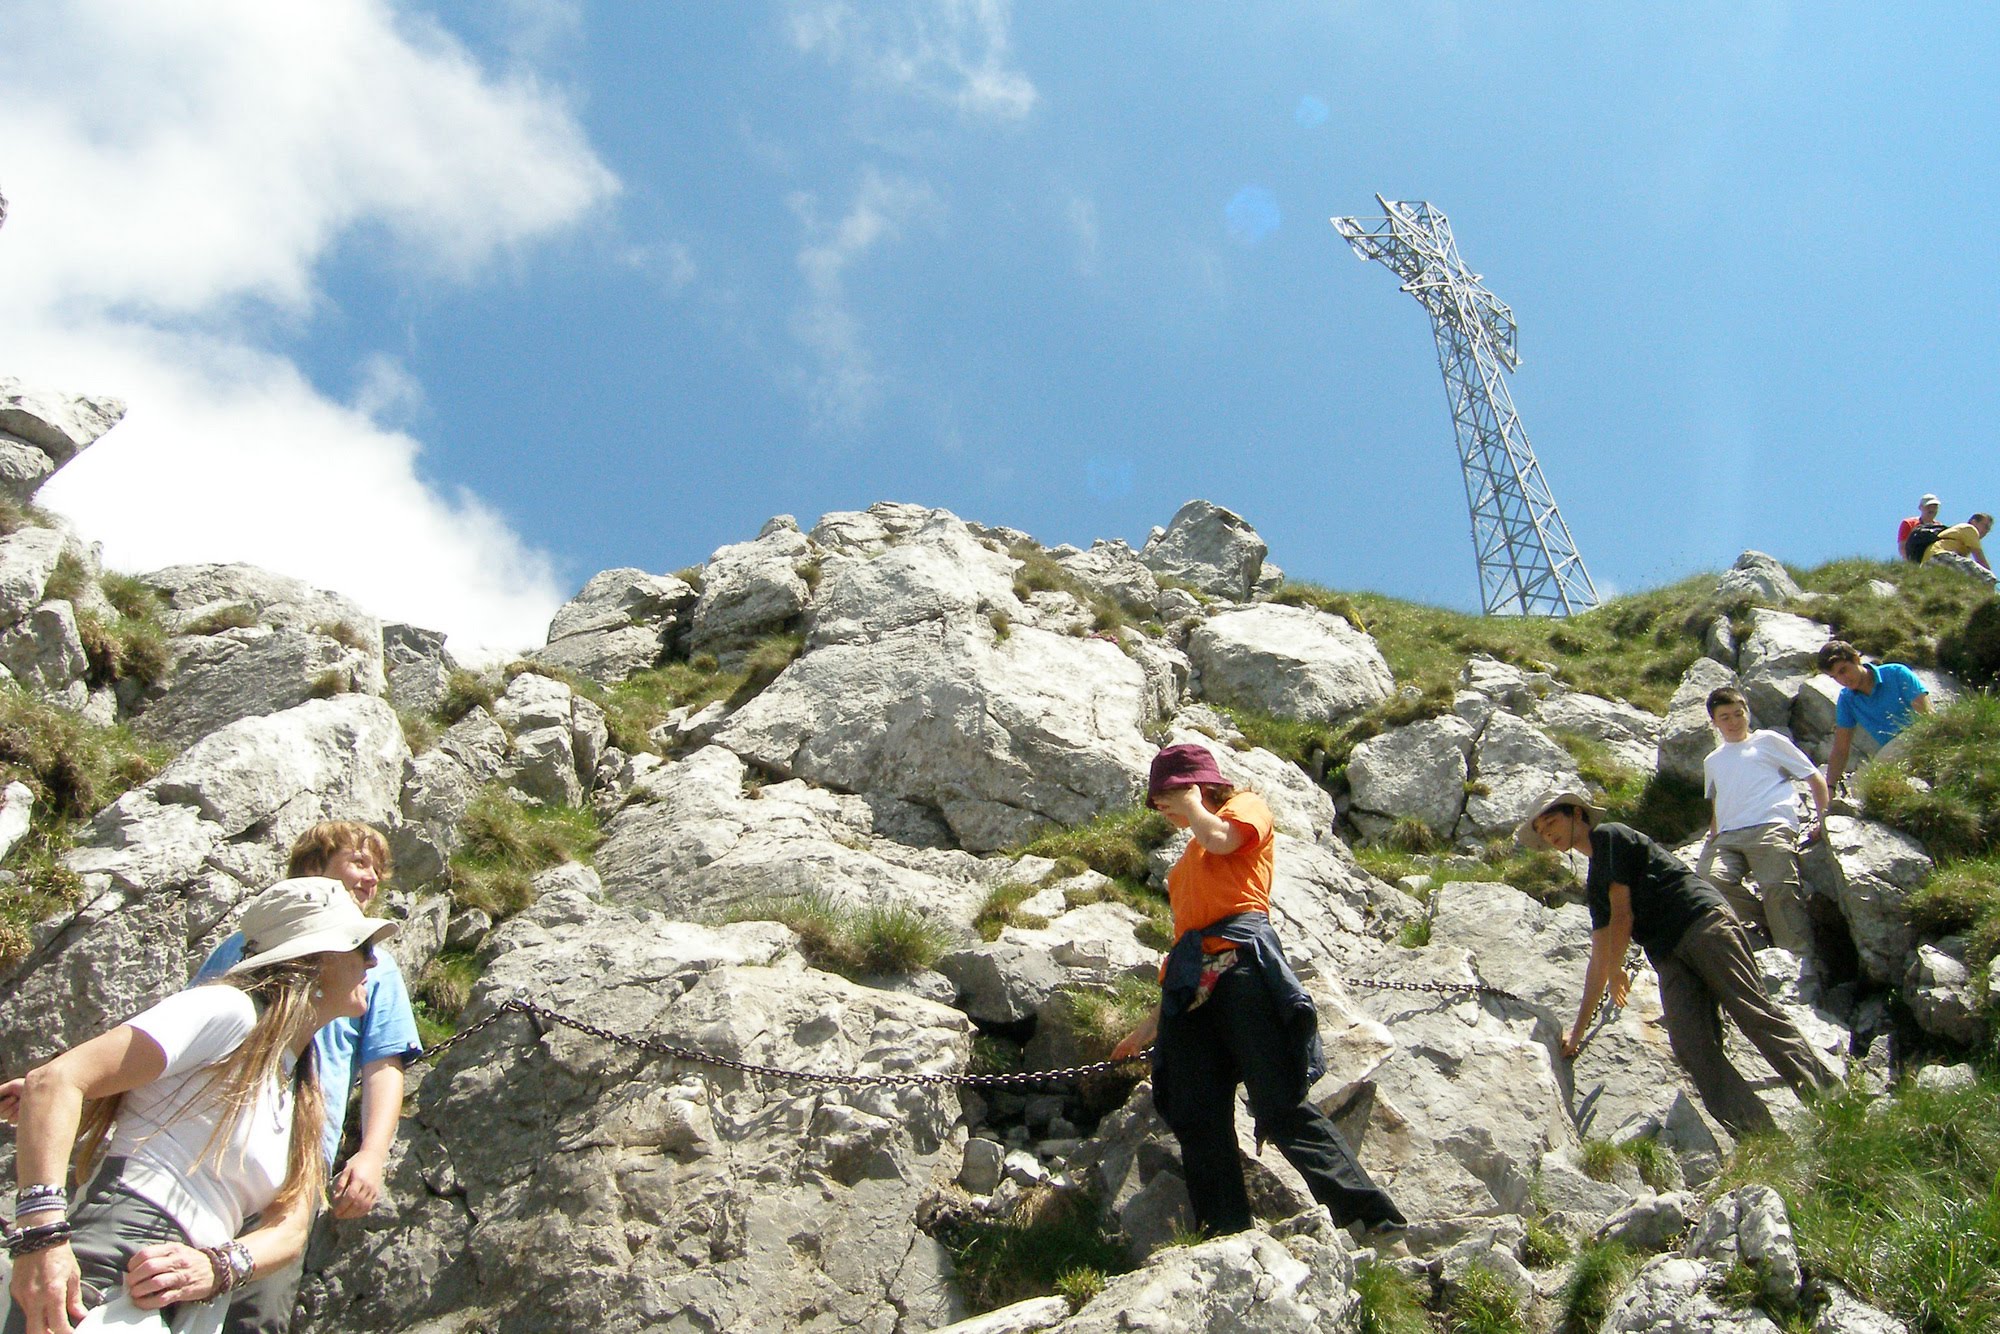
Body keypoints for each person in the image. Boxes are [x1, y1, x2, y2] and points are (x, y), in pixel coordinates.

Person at [3, 879, 398, 1334]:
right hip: (116, 1260)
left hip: (188, 1292)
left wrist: (219, 1267)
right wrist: (43, 1239)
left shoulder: (302, 1086)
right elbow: (55, 1082)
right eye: (361, 945)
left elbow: (290, 1231)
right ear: (314, 959)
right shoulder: (230, 1012)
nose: (372, 960)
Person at [1110, 744, 1405, 1237]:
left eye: (1164, 795)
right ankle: (1225, 1233)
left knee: (1280, 1104)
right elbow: (1188, 943)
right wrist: (1149, 1026)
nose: (1160, 808)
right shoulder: (1189, 854)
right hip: (1190, 988)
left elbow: (1225, 842)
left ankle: (1373, 1219)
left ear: (1195, 785)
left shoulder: (1244, 807)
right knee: (1196, 1115)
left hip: (1243, 967)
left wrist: (1192, 805)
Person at [189, 823, 420, 1334]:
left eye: (377, 870)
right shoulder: (245, 945)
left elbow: (383, 1065)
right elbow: (188, 1031)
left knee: (257, 1313)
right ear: (315, 867)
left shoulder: (377, 968)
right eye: (359, 863)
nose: (371, 879)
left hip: (296, 1166)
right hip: (210, 1143)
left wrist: (372, 1155)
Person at [1519, 791, 1838, 1140]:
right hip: (1668, 954)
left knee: (1751, 1012)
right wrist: (1577, 1031)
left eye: (1551, 823)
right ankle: (1762, 1139)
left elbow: (1622, 914)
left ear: (1577, 814)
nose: (1548, 835)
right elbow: (1598, 955)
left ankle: (1831, 1101)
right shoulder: (1595, 880)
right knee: (1690, 1045)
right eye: (1541, 831)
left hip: (1701, 922)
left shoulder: (1610, 835)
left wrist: (1616, 968)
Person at [1697, 687, 1828, 960]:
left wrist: (1823, 818)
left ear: (1747, 712)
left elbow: (1814, 777)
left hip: (1770, 825)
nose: (1733, 722)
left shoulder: (1768, 741)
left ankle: (1801, 964)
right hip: (1728, 836)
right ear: (1714, 722)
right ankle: (1771, 921)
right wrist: (1713, 837)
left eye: (1738, 714)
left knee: (1779, 888)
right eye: (1725, 717)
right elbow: (1717, 803)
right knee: (1709, 882)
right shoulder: (1713, 760)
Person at [1816, 640, 1931, 795]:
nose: (1842, 680)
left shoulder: (1896, 673)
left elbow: (1928, 716)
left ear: (1856, 659)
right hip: (1893, 754)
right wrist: (1829, 787)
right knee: (1860, 788)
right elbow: (1841, 749)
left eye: (1843, 670)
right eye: (1834, 677)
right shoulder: (1847, 699)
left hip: (1921, 738)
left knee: (1864, 784)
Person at [1921, 513, 1996, 587]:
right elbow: (1980, 560)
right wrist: (1992, 578)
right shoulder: (1969, 529)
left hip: (1927, 564)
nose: (1986, 531)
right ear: (1973, 522)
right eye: (1985, 526)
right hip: (1940, 556)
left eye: (1988, 529)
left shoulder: (1960, 533)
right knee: (1987, 577)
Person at [1897, 493, 1942, 562]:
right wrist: (1910, 564)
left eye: (1935, 506)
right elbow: (1902, 546)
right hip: (1914, 561)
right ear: (1920, 507)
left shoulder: (1939, 527)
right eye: (1928, 506)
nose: (1932, 509)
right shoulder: (1908, 523)